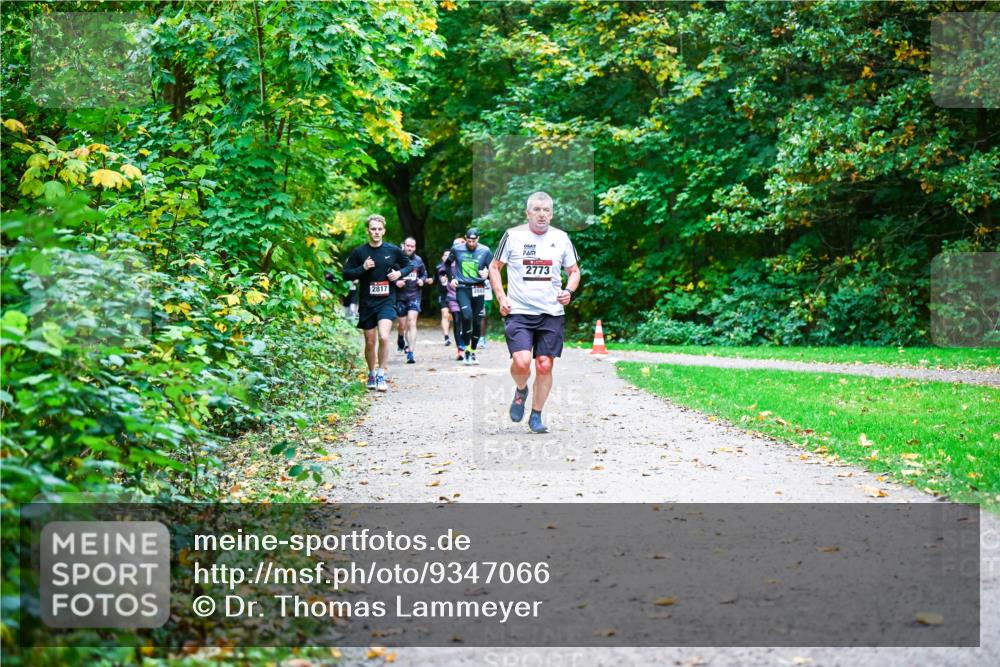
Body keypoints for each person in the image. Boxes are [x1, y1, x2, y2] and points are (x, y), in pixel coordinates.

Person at [488, 191, 581, 433]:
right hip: (519, 310)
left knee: (544, 365)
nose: (542, 214)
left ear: (551, 214)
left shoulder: (561, 238)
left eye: (546, 210)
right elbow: (494, 267)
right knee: (522, 362)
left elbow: (574, 271)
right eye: (537, 210)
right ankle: (521, 389)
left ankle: (536, 415)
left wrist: (569, 291)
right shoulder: (513, 236)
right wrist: (501, 297)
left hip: (551, 312)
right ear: (527, 213)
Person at [342, 214, 414, 391]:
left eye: (379, 229)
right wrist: (363, 268)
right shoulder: (360, 252)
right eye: (373, 229)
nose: (376, 232)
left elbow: (409, 265)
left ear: (384, 231)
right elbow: (346, 273)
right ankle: (372, 373)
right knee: (370, 341)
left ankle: (382, 373)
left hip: (387, 301)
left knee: (383, 336)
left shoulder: (393, 251)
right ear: (368, 231)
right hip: (367, 303)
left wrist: (399, 274)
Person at [445, 228, 493, 365]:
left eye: (474, 240)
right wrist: (451, 278)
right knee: (466, 316)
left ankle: (472, 351)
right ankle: (465, 349)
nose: (471, 243)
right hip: (462, 288)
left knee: (477, 322)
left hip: (478, 288)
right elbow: (447, 264)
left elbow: (494, 268)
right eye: (469, 240)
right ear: (465, 238)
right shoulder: (457, 249)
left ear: (478, 239)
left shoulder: (485, 250)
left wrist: (487, 274)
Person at [394, 237, 427, 364]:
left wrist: (421, 280)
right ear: (404, 246)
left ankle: (411, 353)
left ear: (415, 247)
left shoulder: (418, 260)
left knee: (412, 322)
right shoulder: (397, 259)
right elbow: (388, 274)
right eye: (408, 246)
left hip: (414, 295)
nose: (410, 248)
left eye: (412, 246)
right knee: (402, 325)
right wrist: (397, 282)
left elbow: (424, 274)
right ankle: (400, 337)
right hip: (400, 297)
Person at [435, 249, 454, 346]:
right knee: (445, 314)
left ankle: (458, 332)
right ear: (442, 257)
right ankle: (446, 337)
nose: (447, 257)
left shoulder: (455, 267)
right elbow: (435, 280)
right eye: (445, 255)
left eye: (449, 255)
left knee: (454, 316)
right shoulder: (438, 268)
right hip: (443, 295)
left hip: (455, 294)